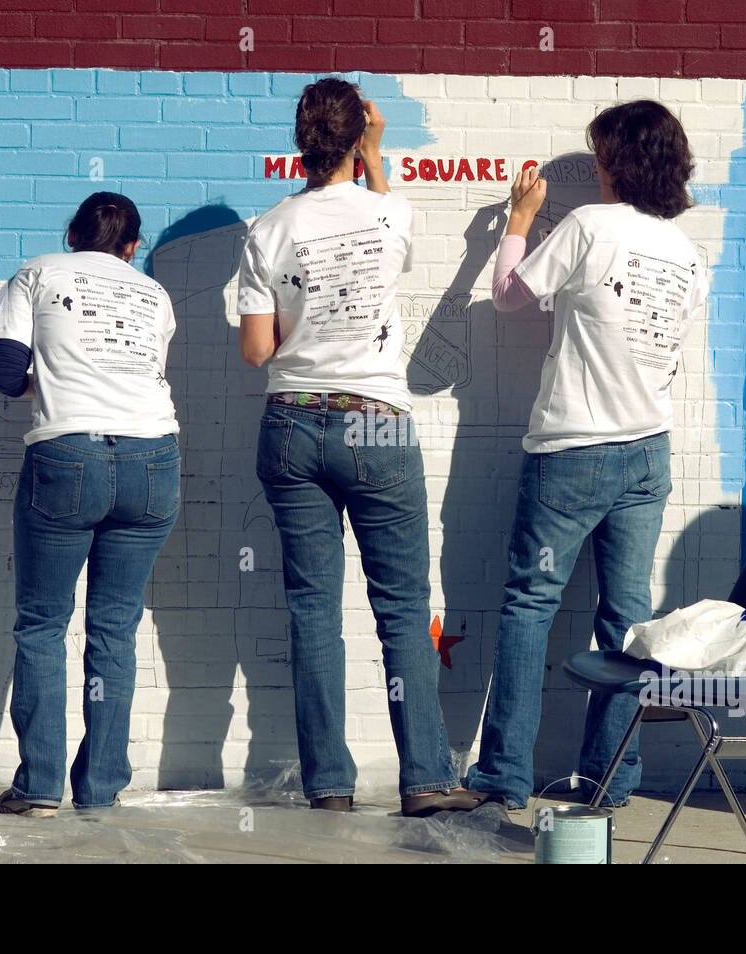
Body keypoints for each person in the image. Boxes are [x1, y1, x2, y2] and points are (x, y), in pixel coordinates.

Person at [237, 77, 483, 816]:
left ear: (299, 143)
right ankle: (426, 779)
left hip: (292, 420)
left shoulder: (266, 229)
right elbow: (385, 208)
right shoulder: (389, 213)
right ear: (355, 139)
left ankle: (330, 787)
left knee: (313, 609)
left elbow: (256, 351)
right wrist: (378, 153)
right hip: (375, 419)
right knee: (403, 608)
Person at [465, 100, 710, 809]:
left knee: (528, 606)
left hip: (573, 448)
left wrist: (515, 221)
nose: (596, 165)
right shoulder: (688, 256)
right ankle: (609, 783)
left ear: (617, 163)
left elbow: (509, 295)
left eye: (600, 153)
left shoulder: (588, 226)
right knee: (625, 622)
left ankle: (503, 774)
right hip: (647, 455)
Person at [0, 191, 180, 814]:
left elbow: (4, 373)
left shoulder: (38, 272)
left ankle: (39, 787)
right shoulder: (154, 295)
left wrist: (36, 382)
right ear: (132, 247)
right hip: (154, 458)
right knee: (114, 631)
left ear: (72, 235)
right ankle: (99, 792)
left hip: (68, 456)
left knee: (44, 626)